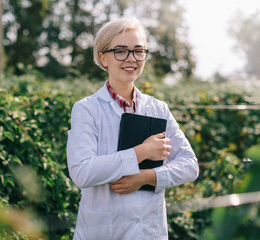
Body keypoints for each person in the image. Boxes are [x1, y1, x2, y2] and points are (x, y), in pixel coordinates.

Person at [66, 16, 199, 240]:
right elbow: (81, 172)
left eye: (139, 50)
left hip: (149, 233)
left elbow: (189, 165)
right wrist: (142, 153)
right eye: (121, 51)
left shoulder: (158, 109)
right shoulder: (86, 109)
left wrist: (147, 177)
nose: (131, 58)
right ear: (103, 58)